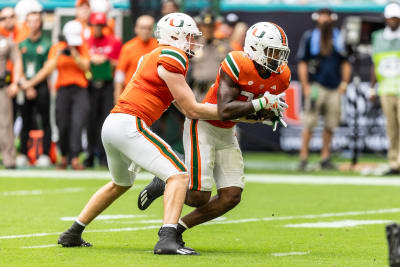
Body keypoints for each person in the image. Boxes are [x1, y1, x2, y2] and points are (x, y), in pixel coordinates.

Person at [57, 12, 223, 255]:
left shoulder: (154, 56)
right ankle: (167, 238)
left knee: (120, 183)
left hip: (114, 123)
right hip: (130, 124)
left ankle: (72, 232)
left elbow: (185, 106)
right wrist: (235, 111)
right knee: (178, 175)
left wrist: (217, 112)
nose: (192, 41)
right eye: (188, 36)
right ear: (174, 37)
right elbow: (191, 108)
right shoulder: (172, 55)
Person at [138, 22, 290, 247]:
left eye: (280, 52)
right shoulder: (236, 62)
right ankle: (165, 181)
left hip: (227, 132)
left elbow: (256, 109)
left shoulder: (281, 75)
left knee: (231, 196)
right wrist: (261, 103)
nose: (277, 58)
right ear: (255, 48)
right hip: (204, 125)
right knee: (199, 197)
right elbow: (225, 109)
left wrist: (270, 113)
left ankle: (179, 227)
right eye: (272, 52)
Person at [21, 20, 90, 170]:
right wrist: (59, 55)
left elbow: (86, 67)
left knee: (77, 123)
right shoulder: (57, 48)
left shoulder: (82, 47)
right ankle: (63, 157)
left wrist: (75, 54)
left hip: (80, 90)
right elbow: (48, 69)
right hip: (63, 89)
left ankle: (75, 158)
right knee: (62, 123)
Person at [297, 8, 352, 171]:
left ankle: (325, 156)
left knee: (330, 124)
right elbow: (302, 62)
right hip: (315, 86)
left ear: (332, 18)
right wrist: (305, 85)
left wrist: (344, 83)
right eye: (322, 16)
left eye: (327, 16)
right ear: (317, 18)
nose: (325, 19)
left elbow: (345, 61)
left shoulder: (339, 38)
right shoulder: (309, 37)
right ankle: (304, 157)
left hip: (334, 87)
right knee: (309, 123)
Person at [16, 7, 52, 167]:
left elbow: (46, 69)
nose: (33, 24)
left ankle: (44, 154)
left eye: (36, 21)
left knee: (45, 121)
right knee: (25, 121)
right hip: (25, 87)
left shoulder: (47, 44)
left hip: (41, 87)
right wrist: (24, 84)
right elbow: (18, 67)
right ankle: (23, 153)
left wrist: (31, 84)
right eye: (30, 21)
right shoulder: (21, 44)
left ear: (41, 23)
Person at [84, 12, 121, 167]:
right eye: (95, 25)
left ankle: (105, 157)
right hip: (91, 84)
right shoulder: (86, 42)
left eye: (100, 25)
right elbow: (82, 61)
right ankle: (90, 154)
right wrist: (91, 60)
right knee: (90, 120)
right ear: (91, 26)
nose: (97, 28)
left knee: (106, 121)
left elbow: (119, 63)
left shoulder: (114, 42)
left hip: (107, 84)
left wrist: (106, 60)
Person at [370, 3, 400, 176]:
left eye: (396, 18)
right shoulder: (378, 37)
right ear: (386, 19)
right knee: (392, 128)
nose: (393, 21)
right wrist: (372, 88)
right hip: (386, 89)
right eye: (391, 18)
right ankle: (394, 163)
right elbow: (375, 64)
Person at [191, 8, 231, 101]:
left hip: (219, 93)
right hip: (198, 93)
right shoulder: (193, 45)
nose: (208, 29)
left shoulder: (225, 45)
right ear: (200, 26)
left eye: (210, 26)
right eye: (205, 26)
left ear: (215, 26)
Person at [114, 15, 157, 100]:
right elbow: (120, 73)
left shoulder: (158, 47)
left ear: (153, 29)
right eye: (142, 28)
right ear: (136, 29)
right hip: (131, 95)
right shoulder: (128, 47)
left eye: (149, 28)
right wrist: (117, 97)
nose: (145, 31)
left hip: (152, 95)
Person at [0, 9, 22, 169]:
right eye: (3, 18)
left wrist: (15, 83)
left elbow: (17, 61)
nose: (6, 21)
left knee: (5, 124)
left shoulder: (7, 41)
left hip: (2, 87)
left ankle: (9, 159)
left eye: (9, 17)